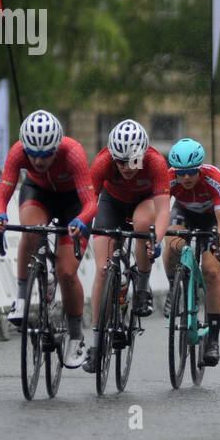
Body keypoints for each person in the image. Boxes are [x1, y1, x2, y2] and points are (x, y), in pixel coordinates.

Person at [0, 110, 95, 366]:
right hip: (39, 193)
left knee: (66, 272)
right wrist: (0, 215)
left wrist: (81, 220)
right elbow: (1, 195)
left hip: (72, 203)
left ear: (56, 147)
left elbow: (91, 203)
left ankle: (76, 335)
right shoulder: (18, 152)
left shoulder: (73, 153)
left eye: (46, 154)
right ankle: (22, 299)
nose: (38, 160)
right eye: (33, 154)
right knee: (33, 229)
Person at [74, 119, 170, 373]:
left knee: (141, 225)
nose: (126, 167)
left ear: (142, 154)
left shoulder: (155, 162)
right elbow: (88, 203)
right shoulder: (103, 162)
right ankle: (96, 344)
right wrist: (81, 224)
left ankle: (141, 286)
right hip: (111, 203)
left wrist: (156, 240)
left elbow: (162, 212)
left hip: (144, 201)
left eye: (132, 161)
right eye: (120, 161)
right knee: (103, 270)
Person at [162, 138, 220, 366]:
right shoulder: (168, 178)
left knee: (212, 271)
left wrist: (218, 243)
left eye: (191, 172)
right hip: (184, 213)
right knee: (171, 239)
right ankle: (174, 287)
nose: (186, 178)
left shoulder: (214, 179)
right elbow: (161, 212)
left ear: (199, 168)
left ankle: (213, 339)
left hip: (211, 218)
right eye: (181, 173)